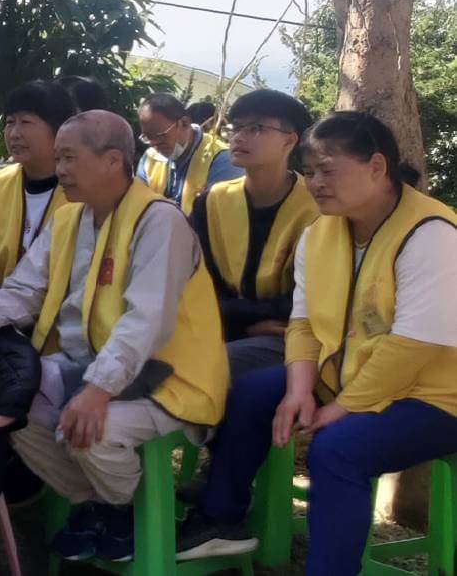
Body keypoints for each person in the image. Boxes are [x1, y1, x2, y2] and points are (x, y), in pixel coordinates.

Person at [176, 112, 457, 569]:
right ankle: (219, 519)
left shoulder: (433, 234)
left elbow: (413, 346)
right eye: (308, 172)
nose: (316, 183)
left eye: (328, 169)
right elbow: (303, 322)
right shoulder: (321, 232)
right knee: (251, 393)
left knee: (338, 449)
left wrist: (340, 409)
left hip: (434, 397)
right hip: (345, 377)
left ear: (377, 167)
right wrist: (299, 389)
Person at [0, 110, 228, 562]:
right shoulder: (70, 219)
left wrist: (98, 390)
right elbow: (26, 286)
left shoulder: (159, 222)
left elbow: (147, 321)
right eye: (59, 158)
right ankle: (99, 504)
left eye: (70, 158)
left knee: (92, 430)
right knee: (7, 410)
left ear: (114, 160)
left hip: (166, 376)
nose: (59, 170)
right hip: (89, 365)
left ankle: (122, 513)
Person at [188, 89, 318, 379]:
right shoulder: (212, 201)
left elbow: (310, 296)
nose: (239, 137)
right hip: (218, 325)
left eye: (256, 128)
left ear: (290, 140)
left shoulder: (317, 208)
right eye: (236, 127)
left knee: (202, 370)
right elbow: (193, 280)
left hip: (289, 336)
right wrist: (244, 323)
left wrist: (238, 319)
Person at [0, 80, 77, 293]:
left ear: (60, 129)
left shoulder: (82, 189)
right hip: (0, 313)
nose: (14, 133)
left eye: (25, 122)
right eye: (9, 122)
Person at [137, 93, 243, 215]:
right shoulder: (150, 159)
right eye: (148, 137)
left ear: (184, 123)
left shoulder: (222, 161)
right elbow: (139, 209)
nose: (154, 144)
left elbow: (220, 220)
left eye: (160, 136)